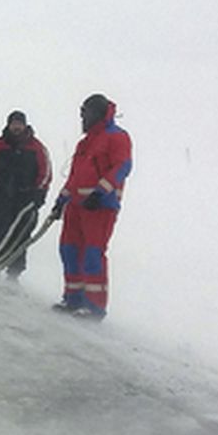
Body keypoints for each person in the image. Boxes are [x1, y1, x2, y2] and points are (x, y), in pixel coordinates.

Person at [48, 93, 133, 318]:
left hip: (100, 207)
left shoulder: (117, 137)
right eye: (81, 113)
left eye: (86, 113)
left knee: (92, 253)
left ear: (97, 114)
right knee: (69, 250)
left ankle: (95, 306)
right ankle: (73, 299)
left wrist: (101, 192)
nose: (83, 118)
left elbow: (122, 166)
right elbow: (75, 176)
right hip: (76, 206)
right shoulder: (85, 143)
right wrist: (61, 201)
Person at [0, 110, 53, 280]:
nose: (16, 127)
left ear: (25, 125)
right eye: (14, 124)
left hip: (24, 199)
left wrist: (39, 193)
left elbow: (45, 172)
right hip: (0, 197)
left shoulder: (37, 148)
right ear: (8, 125)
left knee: (21, 235)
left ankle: (14, 273)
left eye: (20, 124)